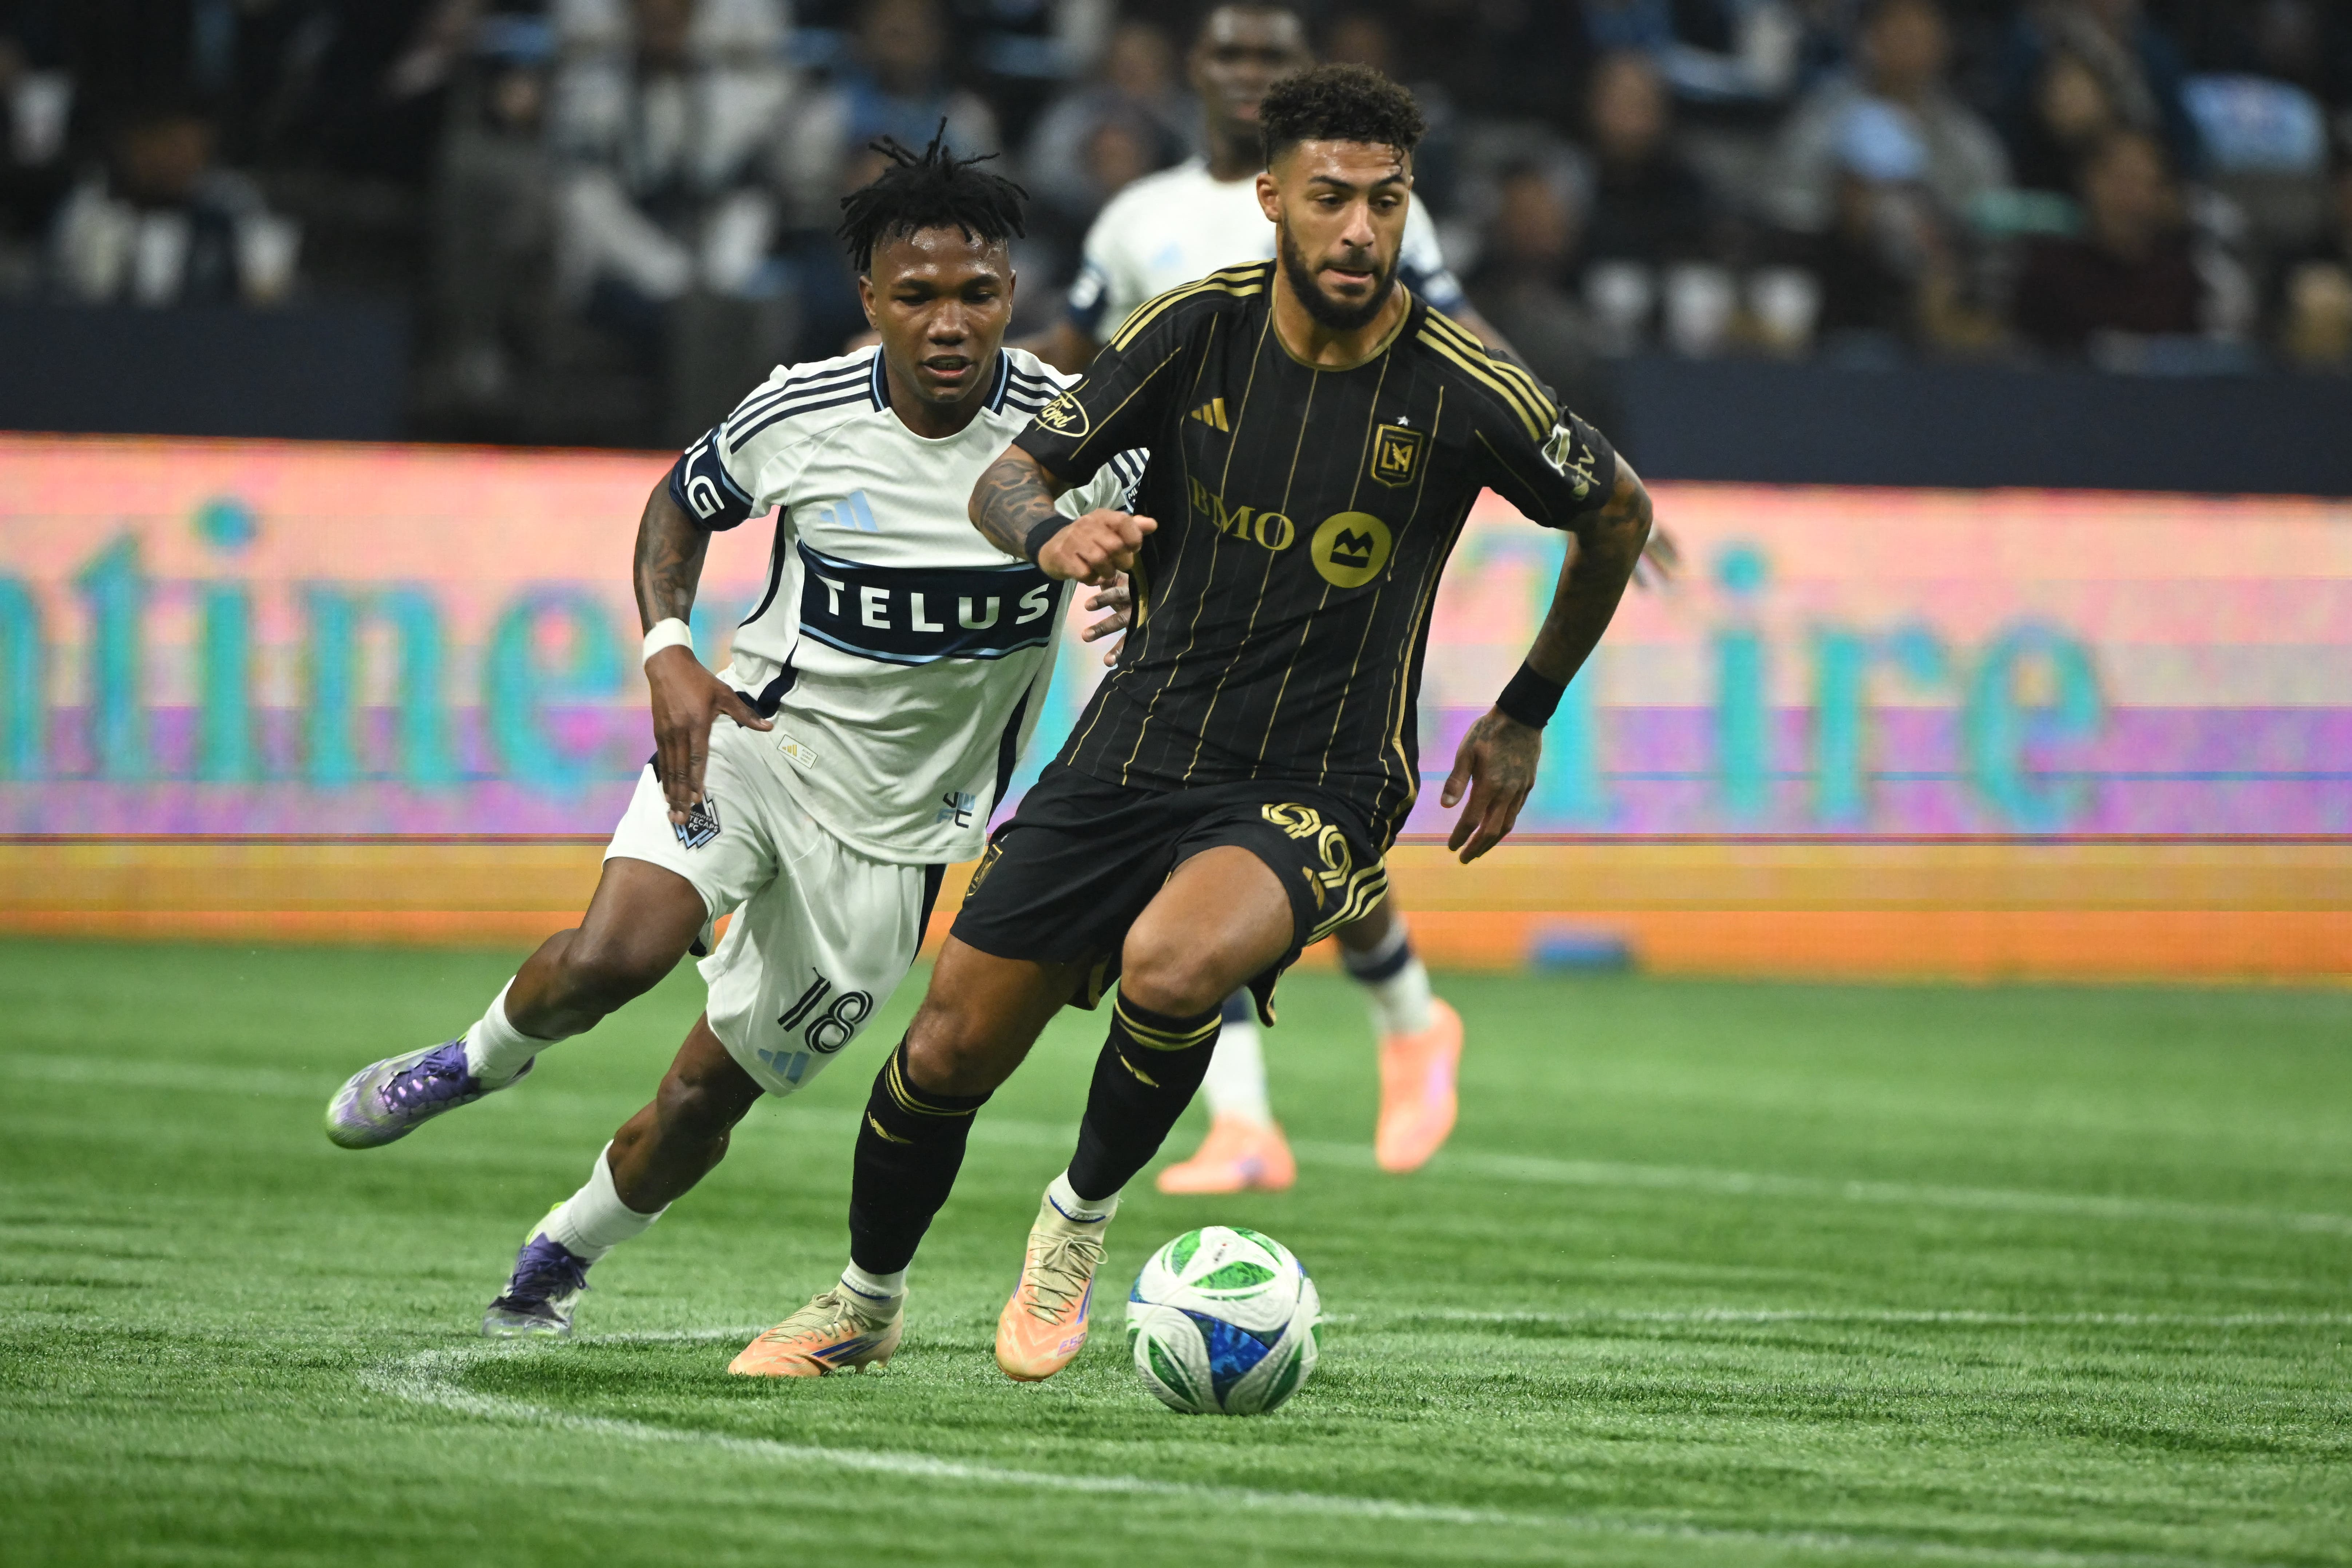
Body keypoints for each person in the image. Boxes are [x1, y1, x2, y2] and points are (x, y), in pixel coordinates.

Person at [730, 62, 1652, 1382]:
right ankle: (863, 1302)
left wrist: (1524, 710)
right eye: (1330, 198)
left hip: (1322, 773)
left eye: (1385, 203)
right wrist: (1054, 536)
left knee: (1171, 967)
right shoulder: (1191, 330)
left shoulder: (1460, 386)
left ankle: (1074, 1221)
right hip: (1135, 740)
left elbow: (1617, 513)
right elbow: (1010, 475)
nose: (1358, 231)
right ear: (1271, 196)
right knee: (944, 1048)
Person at [319, 133, 1141, 1343]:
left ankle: (559, 1250)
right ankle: (478, 1057)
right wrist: (669, 651)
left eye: (978, 293)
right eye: (917, 296)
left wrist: (1140, 593)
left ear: (1012, 295)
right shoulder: (802, 409)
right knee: (613, 955)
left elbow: (1160, 551)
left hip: (898, 839)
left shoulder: (1072, 438)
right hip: (752, 740)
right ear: (872, 301)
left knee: (703, 1097)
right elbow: (680, 503)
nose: (951, 322)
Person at [1021, 0, 1497, 1199]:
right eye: (1228, 54)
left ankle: (1382, 1026)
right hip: (1151, 572)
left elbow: (1457, 343)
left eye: (1268, 58)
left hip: (1319, 572)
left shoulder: (1370, 206)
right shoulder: (1142, 220)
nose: (1246, 74)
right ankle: (1284, 1089)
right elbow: (1064, 358)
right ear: (1197, 69)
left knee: (1266, 828)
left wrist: (1562, 448)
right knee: (1203, 839)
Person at [2011, 126, 2204, 355]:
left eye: (2142, 183)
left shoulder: (2179, 280)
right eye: (2119, 181)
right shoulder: (2049, 272)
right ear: (2090, 182)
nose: (2129, 199)